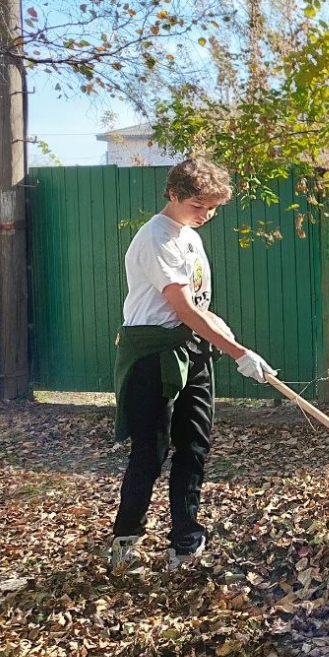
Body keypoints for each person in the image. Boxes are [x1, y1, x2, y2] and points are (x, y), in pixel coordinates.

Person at [110, 158, 277, 573]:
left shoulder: (189, 237)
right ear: (174, 195)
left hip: (194, 351)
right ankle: (124, 539)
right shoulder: (156, 238)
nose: (206, 215)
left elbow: (200, 305)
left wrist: (231, 340)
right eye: (199, 206)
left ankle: (185, 540)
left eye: (213, 208)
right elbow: (181, 308)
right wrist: (237, 353)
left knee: (195, 447)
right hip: (153, 356)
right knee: (150, 452)